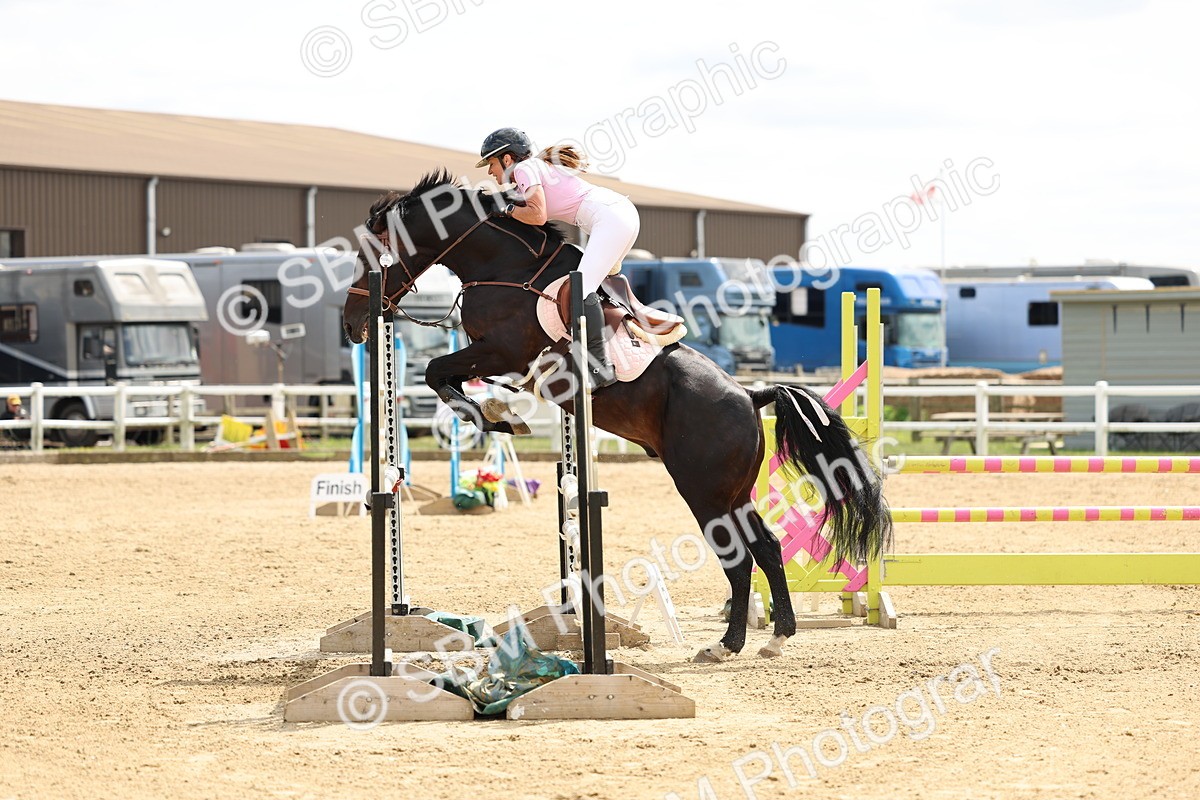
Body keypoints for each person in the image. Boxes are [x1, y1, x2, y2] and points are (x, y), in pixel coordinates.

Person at [476, 128, 640, 389]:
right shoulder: (530, 172)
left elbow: (537, 216)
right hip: (616, 215)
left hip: (611, 219)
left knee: (579, 290)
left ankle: (599, 368)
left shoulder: (525, 168)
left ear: (507, 159)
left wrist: (505, 209)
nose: (490, 172)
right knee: (590, 288)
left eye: (491, 163)